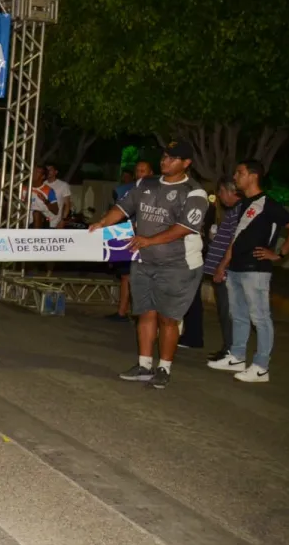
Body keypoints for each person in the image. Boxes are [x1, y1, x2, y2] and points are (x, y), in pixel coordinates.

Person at [89, 140, 209, 390]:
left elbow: (184, 228)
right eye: (164, 156)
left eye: (172, 158)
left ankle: (164, 368)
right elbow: (122, 208)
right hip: (143, 261)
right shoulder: (146, 184)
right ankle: (144, 366)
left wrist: (149, 240)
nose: (165, 161)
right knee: (145, 313)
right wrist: (102, 223)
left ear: (186, 163)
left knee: (168, 318)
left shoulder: (194, 192)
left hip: (177, 265)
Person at [207, 159, 289, 383]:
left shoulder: (267, 203)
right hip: (236, 267)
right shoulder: (244, 203)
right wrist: (223, 264)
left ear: (253, 176)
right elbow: (237, 237)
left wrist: (279, 254)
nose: (235, 177)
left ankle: (261, 367)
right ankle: (237, 357)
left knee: (260, 318)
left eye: (239, 173)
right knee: (238, 315)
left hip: (256, 270)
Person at [182, 180, 241, 356]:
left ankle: (231, 351)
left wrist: (222, 266)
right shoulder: (232, 211)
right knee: (224, 310)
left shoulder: (238, 211)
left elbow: (235, 241)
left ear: (230, 191)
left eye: (221, 192)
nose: (220, 197)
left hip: (225, 270)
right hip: (219, 267)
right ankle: (228, 349)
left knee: (228, 311)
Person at [107, 160, 153, 322]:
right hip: (129, 237)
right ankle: (122, 312)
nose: (140, 174)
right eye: (138, 171)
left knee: (143, 278)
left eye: (144, 171)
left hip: (150, 241)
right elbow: (118, 213)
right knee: (126, 276)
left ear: (151, 174)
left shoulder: (159, 192)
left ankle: (142, 313)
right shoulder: (126, 191)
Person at [44, 163, 72, 228]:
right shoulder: (42, 184)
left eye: (50, 170)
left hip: (55, 223)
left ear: (56, 172)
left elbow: (67, 205)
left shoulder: (63, 185)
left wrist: (63, 220)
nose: (48, 171)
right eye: (46, 170)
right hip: (41, 222)